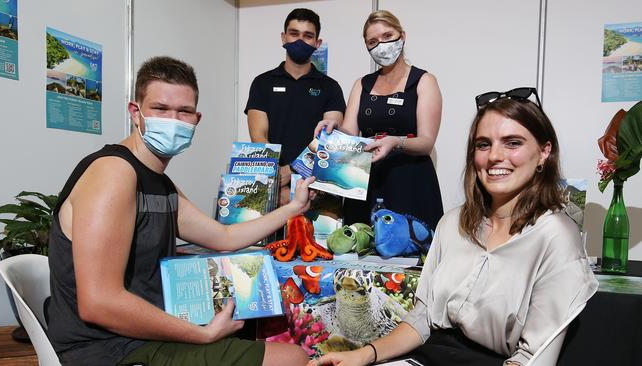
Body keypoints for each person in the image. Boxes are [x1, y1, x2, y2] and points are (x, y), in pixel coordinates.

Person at [46, 56, 313, 366]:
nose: (172, 120)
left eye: (184, 112)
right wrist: (202, 334)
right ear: (136, 113)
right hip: (109, 350)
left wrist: (295, 206)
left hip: (142, 335)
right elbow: (99, 304)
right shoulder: (114, 173)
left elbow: (223, 236)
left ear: (196, 119)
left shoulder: (159, 182)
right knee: (293, 358)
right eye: (160, 109)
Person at [309, 88, 598, 366]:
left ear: (544, 152)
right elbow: (421, 320)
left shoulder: (557, 236)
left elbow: (531, 357)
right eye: (484, 144)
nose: (495, 156)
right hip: (429, 355)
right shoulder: (452, 224)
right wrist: (364, 356)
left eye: (513, 143)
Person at [315, 10, 443, 230]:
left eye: (387, 36)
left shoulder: (423, 81)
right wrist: (335, 129)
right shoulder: (362, 84)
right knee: (360, 248)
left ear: (402, 36)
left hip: (410, 181)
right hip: (366, 182)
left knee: (411, 251)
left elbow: (426, 142)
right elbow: (351, 134)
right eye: (372, 41)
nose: (381, 45)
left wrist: (396, 142)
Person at [245, 8, 346, 205]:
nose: (300, 40)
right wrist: (277, 180)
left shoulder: (330, 87)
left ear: (317, 43)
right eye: (294, 34)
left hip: (316, 187)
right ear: (283, 38)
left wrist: (292, 171)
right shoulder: (262, 83)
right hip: (273, 184)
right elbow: (259, 137)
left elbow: (329, 139)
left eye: (308, 36)